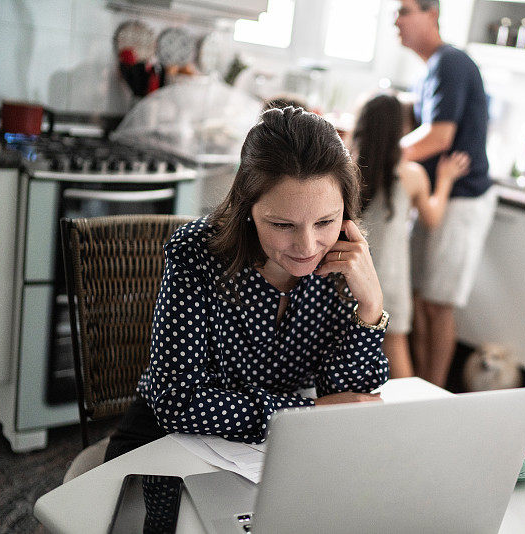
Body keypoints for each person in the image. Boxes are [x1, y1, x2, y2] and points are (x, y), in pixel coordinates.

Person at [105, 106, 390, 461]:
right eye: (282, 225)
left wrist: (370, 308)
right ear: (247, 210)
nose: (306, 246)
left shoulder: (343, 257)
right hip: (168, 443)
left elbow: (348, 400)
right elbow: (177, 404)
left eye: (325, 221)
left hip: (273, 451)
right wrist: (308, 412)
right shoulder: (195, 253)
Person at [395, 0, 497, 387]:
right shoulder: (432, 68)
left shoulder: (449, 62)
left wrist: (379, 151)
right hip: (440, 196)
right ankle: (416, 387)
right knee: (421, 300)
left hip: (462, 198)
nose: (396, 21)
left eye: (404, 11)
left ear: (431, 13)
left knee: (437, 305)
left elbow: (440, 136)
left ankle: (432, 396)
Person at [351, 93, 470, 379]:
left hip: (351, 275)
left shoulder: (347, 170)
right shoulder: (411, 175)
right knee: (398, 357)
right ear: (402, 130)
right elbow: (433, 218)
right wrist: (445, 180)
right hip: (390, 280)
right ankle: (414, 415)